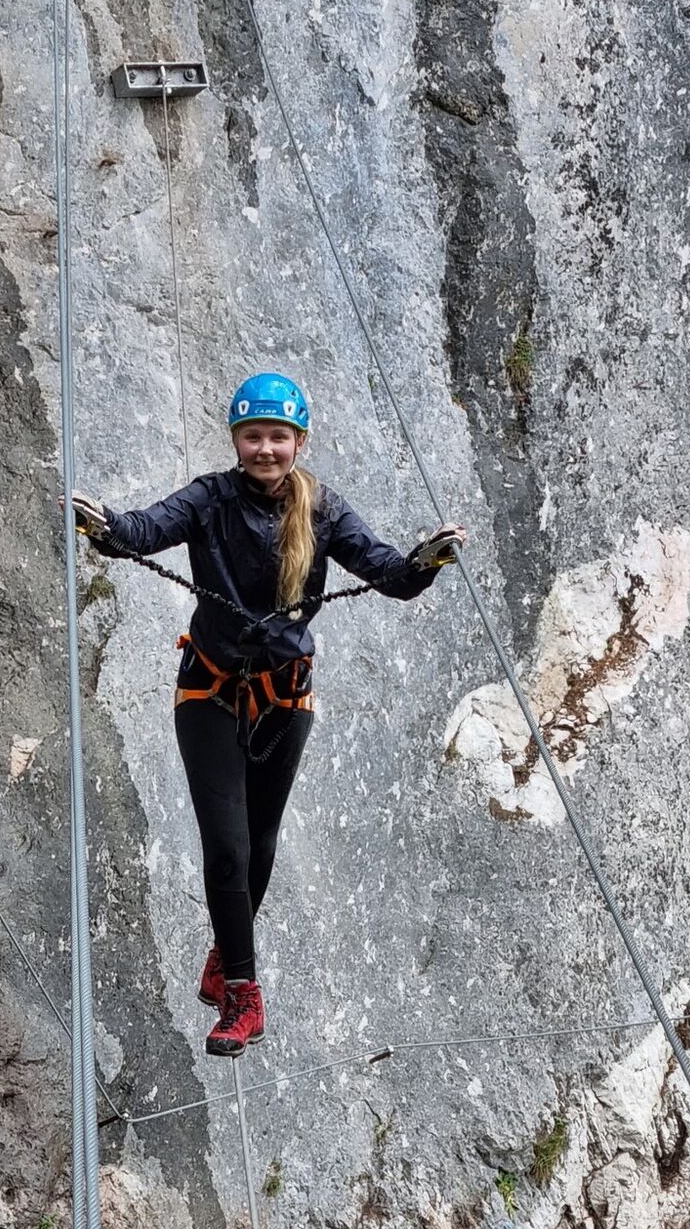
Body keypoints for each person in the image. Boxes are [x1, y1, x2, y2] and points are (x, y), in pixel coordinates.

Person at [66, 373, 464, 1055]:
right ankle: (242, 996)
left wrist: (424, 562)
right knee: (228, 846)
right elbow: (145, 529)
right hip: (210, 690)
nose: (266, 449)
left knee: (262, 842)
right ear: (236, 440)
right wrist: (104, 526)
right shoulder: (209, 499)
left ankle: (226, 954)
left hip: (285, 695)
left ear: (299, 442)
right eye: (253, 436)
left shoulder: (324, 510)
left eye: (279, 437)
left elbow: (387, 573)